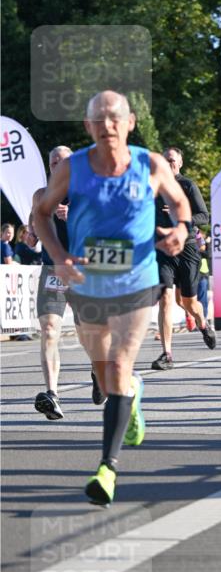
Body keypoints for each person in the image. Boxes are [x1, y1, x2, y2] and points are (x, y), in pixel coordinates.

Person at [33, 91, 192, 505]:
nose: (107, 125)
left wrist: (181, 229)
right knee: (106, 378)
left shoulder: (150, 164)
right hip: (87, 286)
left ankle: (108, 469)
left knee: (119, 364)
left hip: (137, 282)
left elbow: (180, 203)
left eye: (115, 117)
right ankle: (132, 392)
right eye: (99, 118)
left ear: (131, 122)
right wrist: (59, 256)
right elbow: (41, 213)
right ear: (88, 126)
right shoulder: (72, 168)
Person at [30, 146, 106, 419]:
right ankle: (52, 394)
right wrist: (32, 235)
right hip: (53, 270)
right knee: (50, 328)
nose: (57, 166)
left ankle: (97, 372)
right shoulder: (41, 195)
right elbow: (34, 226)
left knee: (88, 336)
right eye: (53, 162)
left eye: (62, 162)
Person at [151, 146, 215, 369]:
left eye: (173, 160)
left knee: (186, 302)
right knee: (166, 298)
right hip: (162, 250)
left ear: (180, 164)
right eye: (165, 160)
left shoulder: (187, 185)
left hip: (186, 249)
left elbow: (204, 216)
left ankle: (203, 323)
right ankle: (167, 353)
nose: (169, 164)